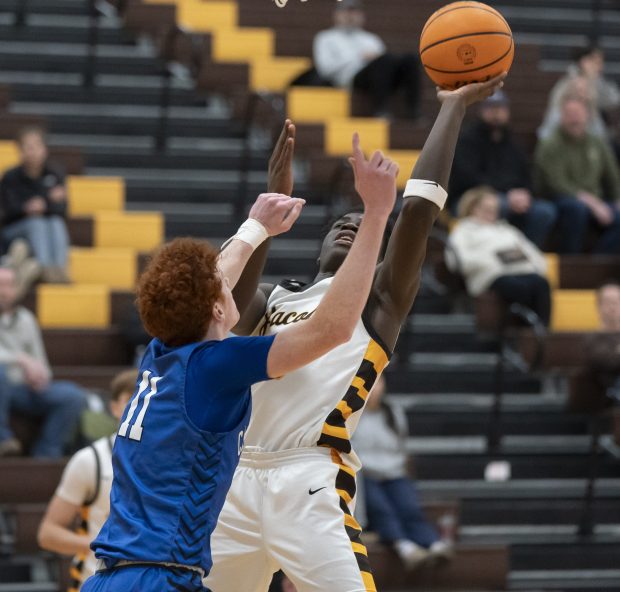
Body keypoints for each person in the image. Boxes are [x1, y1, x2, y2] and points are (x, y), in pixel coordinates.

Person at [206, 74, 506, 592]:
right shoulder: (279, 298)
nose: (349, 224)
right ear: (318, 244)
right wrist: (270, 205)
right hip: (234, 478)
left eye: (362, 224)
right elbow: (222, 305)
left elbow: (417, 211)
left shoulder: (380, 299)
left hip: (309, 478)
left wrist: (453, 106)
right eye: (337, 223)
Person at [81, 136, 398, 592]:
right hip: (160, 578)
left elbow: (207, 281)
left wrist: (255, 226)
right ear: (214, 310)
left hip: (107, 578)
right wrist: (377, 214)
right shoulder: (218, 365)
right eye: (224, 292)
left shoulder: (160, 352)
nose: (233, 290)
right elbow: (330, 329)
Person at [37, 369, 138, 591]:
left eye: (144, 399)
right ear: (113, 408)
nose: (137, 408)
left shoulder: (175, 460)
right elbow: (48, 534)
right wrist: (100, 545)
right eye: (129, 399)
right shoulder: (90, 460)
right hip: (95, 580)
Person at [352, 375, 452, 571]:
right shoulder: (352, 413)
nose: (374, 388)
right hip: (366, 475)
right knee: (381, 508)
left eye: (378, 382)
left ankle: (433, 544)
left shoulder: (393, 411)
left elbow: (401, 446)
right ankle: (404, 547)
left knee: (409, 506)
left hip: (394, 473)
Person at [450, 90, 556, 247]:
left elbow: (526, 176)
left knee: (545, 212)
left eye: (500, 108)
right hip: (471, 197)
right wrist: (507, 194)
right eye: (491, 108)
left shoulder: (514, 143)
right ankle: (493, 254)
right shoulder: (467, 140)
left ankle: (524, 254)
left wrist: (525, 194)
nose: (496, 113)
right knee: (497, 205)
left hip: (512, 198)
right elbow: (467, 178)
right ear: (482, 111)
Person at [0, 266, 86, 457]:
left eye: (8, 285)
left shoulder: (26, 319)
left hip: (24, 389)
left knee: (73, 396)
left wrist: (40, 377)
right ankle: (3, 439)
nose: (4, 291)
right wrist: (20, 359)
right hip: (3, 385)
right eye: (0, 285)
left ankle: (47, 452)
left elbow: (40, 362)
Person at [446, 186, 551, 326]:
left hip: (522, 270)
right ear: (473, 208)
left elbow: (535, 255)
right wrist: (493, 261)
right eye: (487, 208)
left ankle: (542, 332)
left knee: (541, 284)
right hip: (492, 276)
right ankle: (520, 330)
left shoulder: (507, 229)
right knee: (517, 288)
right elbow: (456, 260)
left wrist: (531, 265)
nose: (492, 212)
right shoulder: (463, 230)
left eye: (494, 208)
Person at [534, 95, 620, 254]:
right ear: (561, 116)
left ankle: (598, 262)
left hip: (596, 199)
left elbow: (612, 175)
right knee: (577, 209)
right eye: (570, 114)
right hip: (560, 198)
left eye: (578, 113)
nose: (575, 118)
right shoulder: (550, 144)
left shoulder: (597, 142)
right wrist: (591, 202)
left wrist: (617, 199)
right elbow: (556, 183)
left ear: (587, 115)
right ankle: (571, 259)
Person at [313, 0, 421, 118]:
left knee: (410, 59)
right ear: (336, 15)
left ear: (362, 16)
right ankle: (381, 110)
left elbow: (386, 61)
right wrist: (360, 57)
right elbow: (324, 69)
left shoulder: (371, 38)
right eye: (346, 11)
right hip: (350, 79)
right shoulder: (325, 38)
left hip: (379, 77)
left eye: (354, 12)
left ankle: (414, 112)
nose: (350, 16)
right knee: (382, 62)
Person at [0, 126, 71, 283]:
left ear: (45, 149)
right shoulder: (11, 177)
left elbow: (63, 209)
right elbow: (7, 211)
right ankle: (46, 269)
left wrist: (43, 204)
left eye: (37, 146)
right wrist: (28, 208)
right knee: (36, 223)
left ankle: (59, 269)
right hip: (15, 229)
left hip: (47, 226)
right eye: (28, 147)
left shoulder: (55, 173)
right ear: (20, 151)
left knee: (56, 222)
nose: (33, 151)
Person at [539, 46, 620, 141]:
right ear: (584, 62)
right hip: (566, 138)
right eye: (597, 62)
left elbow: (614, 99)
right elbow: (553, 118)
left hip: (589, 137)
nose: (601, 67)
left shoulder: (595, 82)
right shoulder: (567, 84)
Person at [584, 282, 620, 404]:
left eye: (617, 301)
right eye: (608, 302)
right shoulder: (592, 338)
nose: (613, 306)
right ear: (599, 306)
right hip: (607, 396)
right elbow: (605, 361)